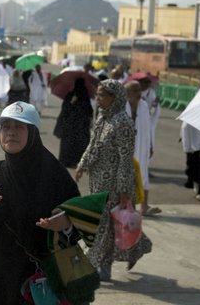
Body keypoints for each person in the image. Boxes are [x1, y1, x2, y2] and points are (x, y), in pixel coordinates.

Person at [0, 101, 81, 304]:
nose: (11, 132)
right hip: (3, 277)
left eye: (19, 126)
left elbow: (81, 220)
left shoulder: (55, 175)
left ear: (33, 134)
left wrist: (64, 223)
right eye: (6, 126)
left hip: (44, 280)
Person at [75, 79, 152, 281]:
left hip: (115, 185)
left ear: (115, 97)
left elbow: (126, 160)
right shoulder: (102, 117)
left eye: (102, 95)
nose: (97, 98)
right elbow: (93, 144)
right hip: (98, 181)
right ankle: (137, 247)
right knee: (110, 226)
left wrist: (125, 189)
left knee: (103, 226)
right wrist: (82, 164)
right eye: (97, 94)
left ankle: (91, 263)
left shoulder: (123, 123)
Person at [125, 81, 160, 216]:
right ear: (128, 93)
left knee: (143, 176)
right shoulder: (122, 107)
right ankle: (128, 207)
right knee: (127, 178)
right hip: (127, 149)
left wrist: (150, 145)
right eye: (135, 90)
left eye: (139, 90)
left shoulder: (144, 106)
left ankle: (144, 206)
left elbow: (149, 127)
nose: (139, 93)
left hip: (142, 147)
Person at [53, 78, 93, 168]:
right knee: (74, 143)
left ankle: (74, 162)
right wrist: (72, 102)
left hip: (73, 125)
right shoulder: (77, 95)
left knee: (71, 143)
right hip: (77, 126)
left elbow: (66, 109)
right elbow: (89, 111)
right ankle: (72, 161)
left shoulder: (83, 96)